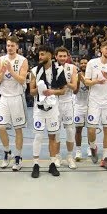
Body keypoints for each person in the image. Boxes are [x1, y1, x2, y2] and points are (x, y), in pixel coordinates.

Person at [29, 45, 67, 178]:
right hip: (39, 109)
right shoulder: (34, 70)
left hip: (53, 109)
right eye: (39, 54)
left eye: (43, 54)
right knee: (38, 136)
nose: (40, 57)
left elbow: (63, 90)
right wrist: (39, 91)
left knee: (52, 136)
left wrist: (52, 91)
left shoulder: (59, 69)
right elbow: (31, 91)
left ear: (50, 55)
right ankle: (36, 164)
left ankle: (52, 164)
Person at [84, 41, 107, 170]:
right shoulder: (92, 63)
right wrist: (97, 81)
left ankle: (105, 158)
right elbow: (86, 82)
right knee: (91, 130)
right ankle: (93, 147)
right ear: (101, 49)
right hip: (94, 101)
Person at [0, 36, 29, 171]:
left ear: (17, 47)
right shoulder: (1, 59)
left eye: (12, 45)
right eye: (8, 45)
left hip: (17, 97)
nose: (10, 48)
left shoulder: (23, 60)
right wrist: (2, 71)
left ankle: (18, 158)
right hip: (4, 97)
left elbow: (21, 80)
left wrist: (10, 70)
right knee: (1, 127)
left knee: (18, 129)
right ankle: (7, 152)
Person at [54, 47, 78, 169]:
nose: (62, 58)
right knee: (56, 131)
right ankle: (57, 156)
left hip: (68, 102)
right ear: (56, 56)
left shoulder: (72, 68)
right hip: (55, 103)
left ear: (68, 57)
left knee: (69, 130)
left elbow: (74, 87)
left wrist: (65, 83)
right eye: (60, 56)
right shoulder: (51, 68)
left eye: (65, 56)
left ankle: (69, 156)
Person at [73, 57, 89, 161]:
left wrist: (84, 80)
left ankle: (90, 148)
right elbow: (75, 91)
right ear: (79, 64)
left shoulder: (92, 75)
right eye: (82, 63)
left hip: (90, 105)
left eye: (85, 63)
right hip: (78, 105)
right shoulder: (75, 76)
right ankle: (78, 151)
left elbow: (91, 89)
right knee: (78, 129)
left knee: (91, 129)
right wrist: (79, 81)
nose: (83, 64)